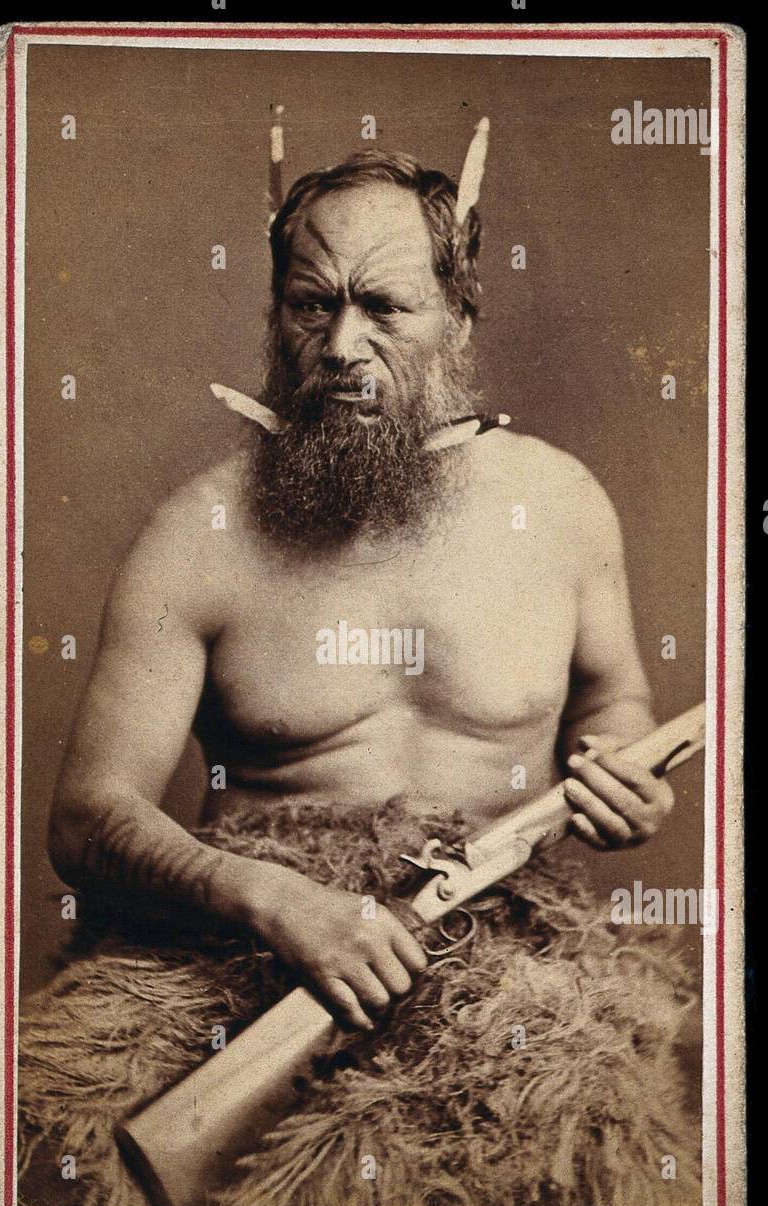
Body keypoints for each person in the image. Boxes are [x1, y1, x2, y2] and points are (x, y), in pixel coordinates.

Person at [48, 150, 673, 1035]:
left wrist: (624, 768)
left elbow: (615, 697)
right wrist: (269, 899)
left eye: (383, 307)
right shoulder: (196, 533)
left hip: (500, 970)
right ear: (277, 316)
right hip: (238, 964)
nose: (341, 347)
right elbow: (84, 824)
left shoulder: (561, 504)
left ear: (458, 317)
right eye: (312, 305)